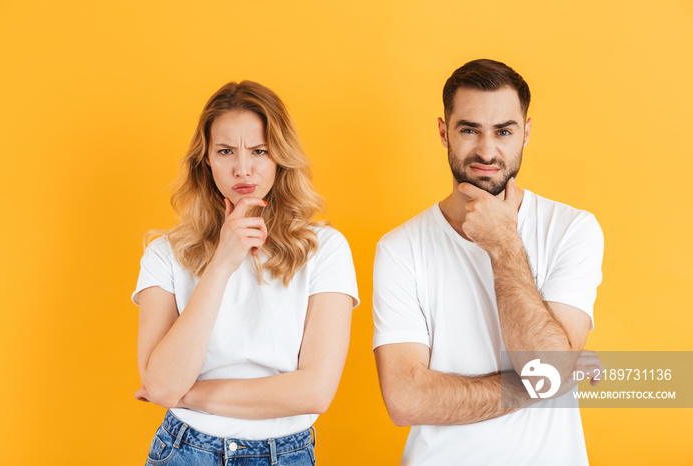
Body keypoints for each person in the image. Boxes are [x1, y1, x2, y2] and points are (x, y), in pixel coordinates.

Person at [372, 59, 604, 465]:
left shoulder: (572, 229)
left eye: (503, 131)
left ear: (526, 132)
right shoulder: (399, 248)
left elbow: (545, 368)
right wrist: (538, 384)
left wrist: (502, 244)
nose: (486, 150)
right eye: (469, 129)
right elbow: (405, 401)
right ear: (444, 132)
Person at [132, 81, 358, 466]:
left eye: (259, 151)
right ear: (205, 160)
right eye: (225, 151)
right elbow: (163, 382)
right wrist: (222, 262)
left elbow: (315, 392)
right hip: (187, 451)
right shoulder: (165, 253)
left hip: (284, 453)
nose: (242, 168)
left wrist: (187, 395)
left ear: (280, 157)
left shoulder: (325, 249)